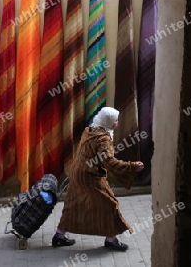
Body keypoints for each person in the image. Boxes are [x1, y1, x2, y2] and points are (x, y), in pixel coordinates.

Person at [52, 106, 144, 251]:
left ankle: (59, 236)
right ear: (107, 121)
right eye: (115, 120)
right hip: (89, 175)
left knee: (73, 204)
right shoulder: (103, 139)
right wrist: (131, 166)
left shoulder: (90, 130)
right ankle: (111, 240)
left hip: (77, 172)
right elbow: (109, 161)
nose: (117, 123)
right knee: (109, 203)